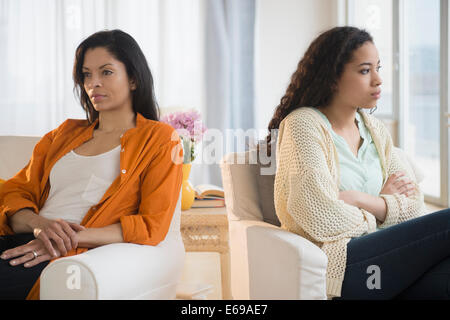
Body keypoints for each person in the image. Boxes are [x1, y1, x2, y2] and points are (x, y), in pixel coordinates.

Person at [267, 26, 450, 300]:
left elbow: (415, 207)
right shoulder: (303, 126)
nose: (378, 80)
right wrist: (384, 208)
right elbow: (320, 215)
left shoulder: (375, 129)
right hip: (347, 268)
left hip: (391, 264)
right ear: (331, 78)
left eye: (378, 68)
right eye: (365, 71)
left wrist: (360, 199)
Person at [0, 29, 183, 300]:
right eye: (87, 74)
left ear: (133, 79)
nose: (93, 83)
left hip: (68, 256)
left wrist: (66, 239)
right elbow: (14, 193)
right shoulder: (63, 134)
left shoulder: (160, 140)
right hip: (27, 237)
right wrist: (40, 225)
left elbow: (150, 225)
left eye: (106, 72)